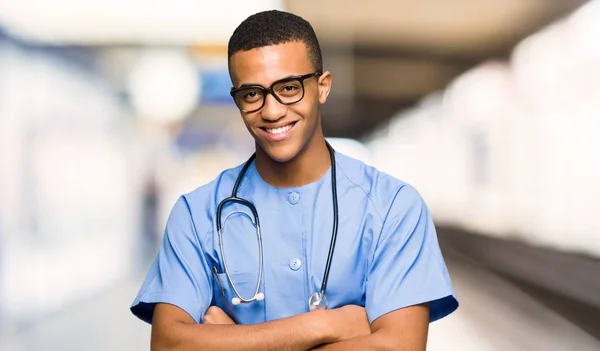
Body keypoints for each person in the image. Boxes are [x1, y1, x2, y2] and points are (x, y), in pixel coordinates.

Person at [130, 9, 458, 351]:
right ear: (237, 100)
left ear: (322, 87)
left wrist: (230, 340)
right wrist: (324, 325)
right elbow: (169, 344)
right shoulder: (197, 215)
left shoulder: (393, 207)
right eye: (252, 94)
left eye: (288, 88)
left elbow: (398, 348)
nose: (271, 111)